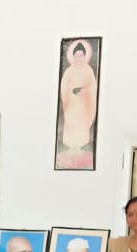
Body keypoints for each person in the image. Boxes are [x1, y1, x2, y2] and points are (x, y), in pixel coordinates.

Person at [56, 39, 98, 169]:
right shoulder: (69, 71)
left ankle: (79, 151)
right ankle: (71, 151)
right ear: (73, 56)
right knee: (71, 126)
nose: (79, 58)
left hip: (83, 106)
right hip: (71, 105)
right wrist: (71, 91)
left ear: (85, 56)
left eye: (81, 55)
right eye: (76, 55)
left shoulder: (88, 70)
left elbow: (93, 86)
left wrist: (85, 90)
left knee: (81, 128)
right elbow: (63, 87)